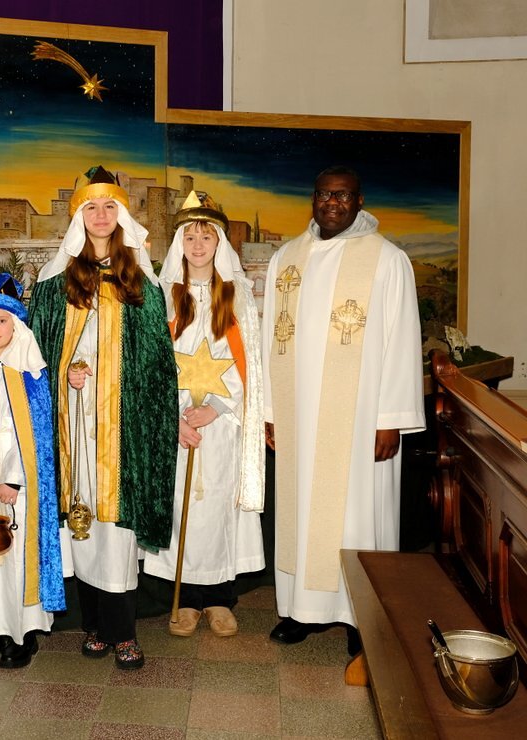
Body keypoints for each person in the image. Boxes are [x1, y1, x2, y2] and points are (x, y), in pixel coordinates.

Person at [262, 166, 425, 653]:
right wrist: (271, 410)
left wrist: (391, 419)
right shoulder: (286, 259)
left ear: (359, 200)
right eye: (324, 194)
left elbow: (402, 342)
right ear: (313, 199)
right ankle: (302, 610)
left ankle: (362, 615)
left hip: (360, 418)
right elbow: (271, 338)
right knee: (300, 512)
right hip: (298, 415)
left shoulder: (387, 260)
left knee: (357, 515)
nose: (332, 202)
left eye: (343, 195)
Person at [28, 165, 178, 670]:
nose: (99, 215)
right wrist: (65, 371)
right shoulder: (55, 284)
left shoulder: (141, 283)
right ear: (78, 217)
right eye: (90, 207)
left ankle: (123, 632)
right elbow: (37, 359)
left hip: (122, 429)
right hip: (74, 427)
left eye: (109, 206)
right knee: (82, 525)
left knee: (116, 533)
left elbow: (157, 365)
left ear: (121, 215)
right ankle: (93, 625)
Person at [143, 192, 265, 637]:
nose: (198, 245)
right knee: (183, 507)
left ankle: (219, 598)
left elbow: (248, 362)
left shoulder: (235, 295)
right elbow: (153, 363)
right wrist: (174, 417)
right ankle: (188, 599)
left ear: (219, 243)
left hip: (221, 422)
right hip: (176, 424)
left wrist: (214, 409)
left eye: (206, 237)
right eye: (190, 237)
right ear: (179, 242)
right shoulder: (163, 297)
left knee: (217, 507)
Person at [0, 272, 65, 669]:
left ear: (16, 325)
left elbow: (37, 438)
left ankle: (21, 633)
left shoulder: (30, 375)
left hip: (14, 485)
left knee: (16, 554)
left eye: (2, 321)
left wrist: (13, 479)